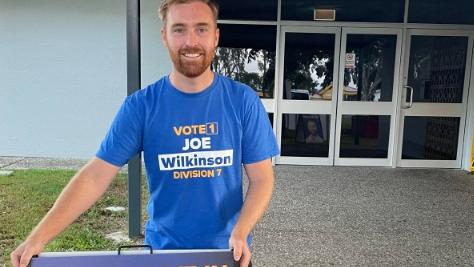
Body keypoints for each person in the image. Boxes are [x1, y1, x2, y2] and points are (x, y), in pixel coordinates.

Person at [10, 1, 279, 267]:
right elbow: (95, 175)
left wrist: (240, 232)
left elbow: (262, 179)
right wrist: (39, 237)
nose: (191, 41)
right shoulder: (141, 106)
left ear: (216, 36)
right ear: (164, 36)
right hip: (164, 255)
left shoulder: (242, 100)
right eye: (179, 29)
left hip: (226, 255)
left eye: (201, 29)